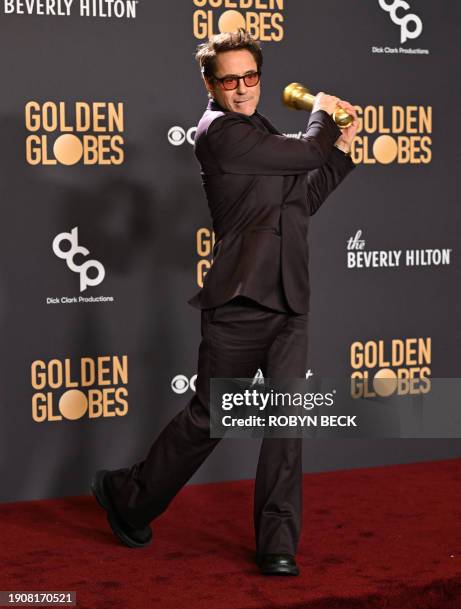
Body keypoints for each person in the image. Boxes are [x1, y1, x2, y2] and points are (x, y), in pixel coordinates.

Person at [91, 28, 358, 576]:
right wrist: (325, 115)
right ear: (209, 84)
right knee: (210, 418)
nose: (242, 88)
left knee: (287, 425)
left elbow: (299, 203)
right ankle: (129, 496)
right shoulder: (219, 134)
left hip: (290, 301)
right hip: (237, 303)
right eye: (229, 79)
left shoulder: (260, 131)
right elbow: (309, 148)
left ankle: (277, 544)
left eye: (250, 77)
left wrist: (342, 155)